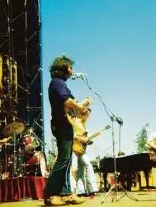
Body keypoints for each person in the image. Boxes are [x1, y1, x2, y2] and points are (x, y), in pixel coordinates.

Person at [44, 55, 89, 206]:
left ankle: (66, 193)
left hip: (64, 123)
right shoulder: (57, 83)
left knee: (67, 160)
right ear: (63, 68)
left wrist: (81, 105)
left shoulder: (61, 84)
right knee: (63, 159)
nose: (72, 70)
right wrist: (80, 106)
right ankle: (50, 194)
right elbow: (67, 101)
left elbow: (70, 106)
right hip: (61, 124)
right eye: (70, 67)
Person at [73, 109, 100, 197]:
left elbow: (85, 137)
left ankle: (80, 191)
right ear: (83, 114)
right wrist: (81, 139)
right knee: (89, 166)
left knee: (80, 169)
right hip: (78, 147)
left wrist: (94, 135)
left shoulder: (83, 124)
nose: (88, 117)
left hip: (81, 148)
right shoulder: (76, 122)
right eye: (87, 114)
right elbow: (72, 134)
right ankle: (92, 189)